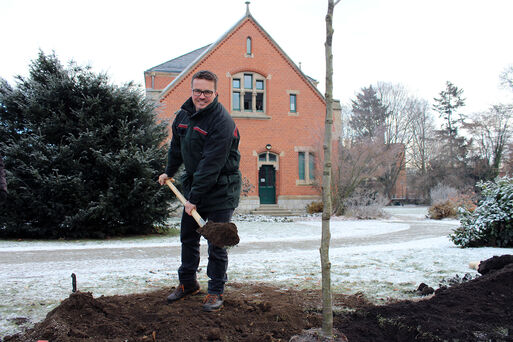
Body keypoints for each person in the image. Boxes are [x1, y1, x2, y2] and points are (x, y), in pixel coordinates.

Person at [158, 70, 241, 312]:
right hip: (195, 184)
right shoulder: (183, 116)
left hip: (221, 190)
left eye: (206, 91)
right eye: (197, 91)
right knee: (188, 237)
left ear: (216, 93)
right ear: (191, 90)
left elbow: (211, 164)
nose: (201, 96)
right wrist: (169, 171)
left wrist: (193, 199)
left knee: (217, 241)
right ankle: (188, 283)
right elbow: (176, 147)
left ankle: (215, 291)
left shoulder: (222, 122)